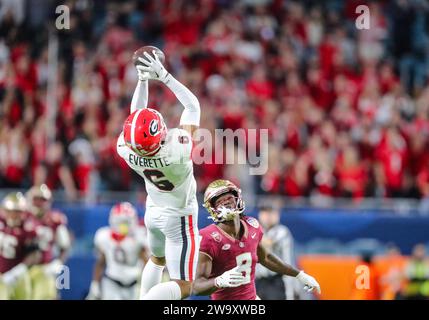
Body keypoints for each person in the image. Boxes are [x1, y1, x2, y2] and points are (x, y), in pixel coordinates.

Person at [116, 49, 201, 300]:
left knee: (156, 259)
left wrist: (142, 79)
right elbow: (192, 105)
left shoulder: (126, 149)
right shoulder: (177, 150)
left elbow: (136, 114)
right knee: (184, 287)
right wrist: (162, 75)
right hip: (179, 218)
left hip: (153, 211)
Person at [192, 179, 321, 300]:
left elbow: (266, 258)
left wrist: (299, 275)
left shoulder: (252, 225)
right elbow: (196, 287)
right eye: (220, 201)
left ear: (238, 198)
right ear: (212, 208)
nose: (226, 202)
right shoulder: (208, 237)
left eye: (229, 198)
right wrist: (219, 281)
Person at [86, 202, 149, 300]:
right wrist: (94, 284)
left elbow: (146, 263)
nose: (125, 226)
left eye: (127, 222)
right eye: (123, 222)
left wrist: (147, 283)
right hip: (111, 282)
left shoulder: (138, 237)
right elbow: (100, 262)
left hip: (133, 283)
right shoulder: (105, 236)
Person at [25, 184, 71, 299]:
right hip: (20, 268)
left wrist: (58, 263)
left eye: (43, 200)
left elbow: (65, 246)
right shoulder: (21, 217)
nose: (39, 203)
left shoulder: (55, 220)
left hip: (44, 268)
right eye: (36, 199)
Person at [0, 192, 41, 299]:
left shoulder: (28, 228)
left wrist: (18, 271)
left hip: (19, 276)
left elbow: (35, 254)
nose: (14, 214)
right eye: (11, 211)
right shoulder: (2, 225)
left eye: (17, 211)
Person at [255, 205, 300, 300]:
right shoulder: (255, 231)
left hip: (276, 281)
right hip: (258, 282)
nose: (268, 216)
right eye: (264, 213)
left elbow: (269, 241)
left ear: (277, 215)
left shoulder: (282, 231)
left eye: (271, 213)